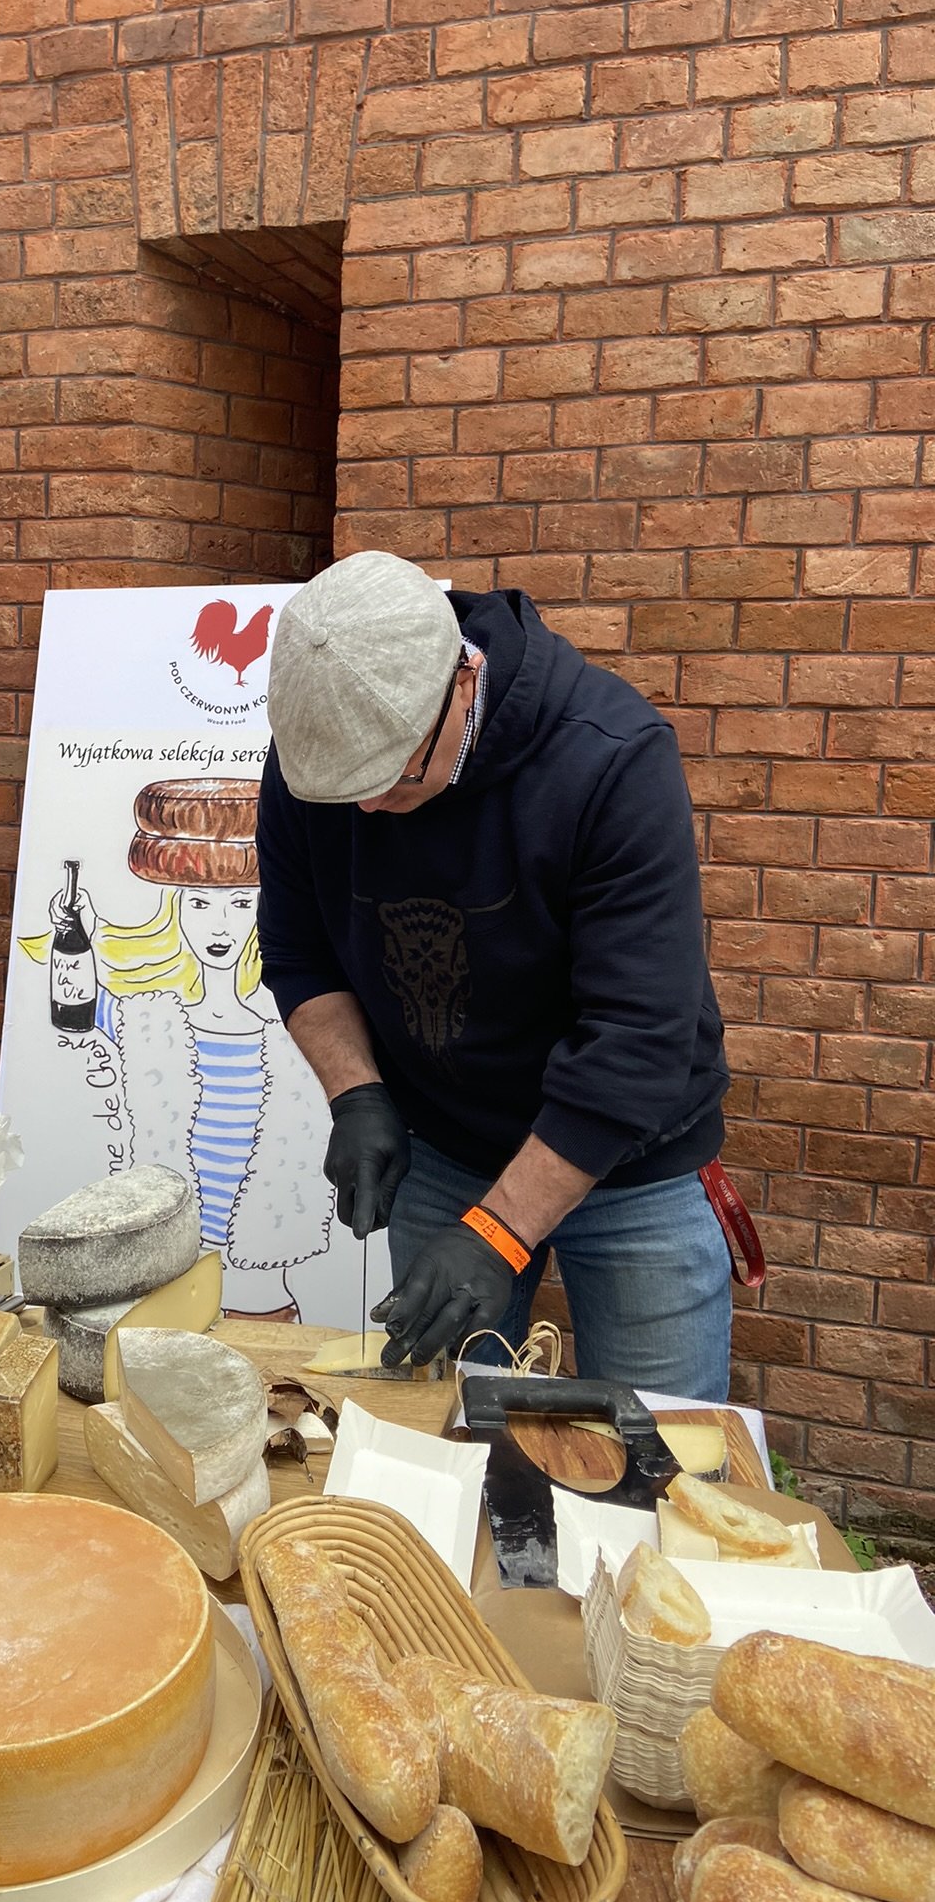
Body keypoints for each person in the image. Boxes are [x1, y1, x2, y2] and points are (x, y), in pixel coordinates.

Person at [255, 549, 734, 1398]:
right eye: (345, 790)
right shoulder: (320, 763)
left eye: (395, 775)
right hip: (446, 1149)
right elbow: (298, 948)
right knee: (438, 1432)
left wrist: (502, 1232)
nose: (368, 807)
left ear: (463, 681)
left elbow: (636, 1041)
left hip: (631, 1165)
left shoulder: (610, 758)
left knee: (661, 1442)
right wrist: (357, 1093)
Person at [25, 777, 333, 1318]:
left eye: (242, 903)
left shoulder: (298, 1039)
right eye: (199, 903)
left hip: (262, 1302)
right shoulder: (153, 1026)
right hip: (165, 1291)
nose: (220, 925)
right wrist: (76, 936)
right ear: (175, 911)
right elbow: (75, 1005)